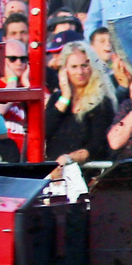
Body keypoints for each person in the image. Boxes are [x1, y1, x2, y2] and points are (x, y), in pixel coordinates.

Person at [45, 44, 113, 175]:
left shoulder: (102, 102)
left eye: (84, 66)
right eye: (74, 67)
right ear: (64, 70)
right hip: (54, 176)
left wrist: (68, 159)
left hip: (86, 175)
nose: (80, 72)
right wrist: (65, 97)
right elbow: (44, 132)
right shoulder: (57, 98)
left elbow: (97, 146)